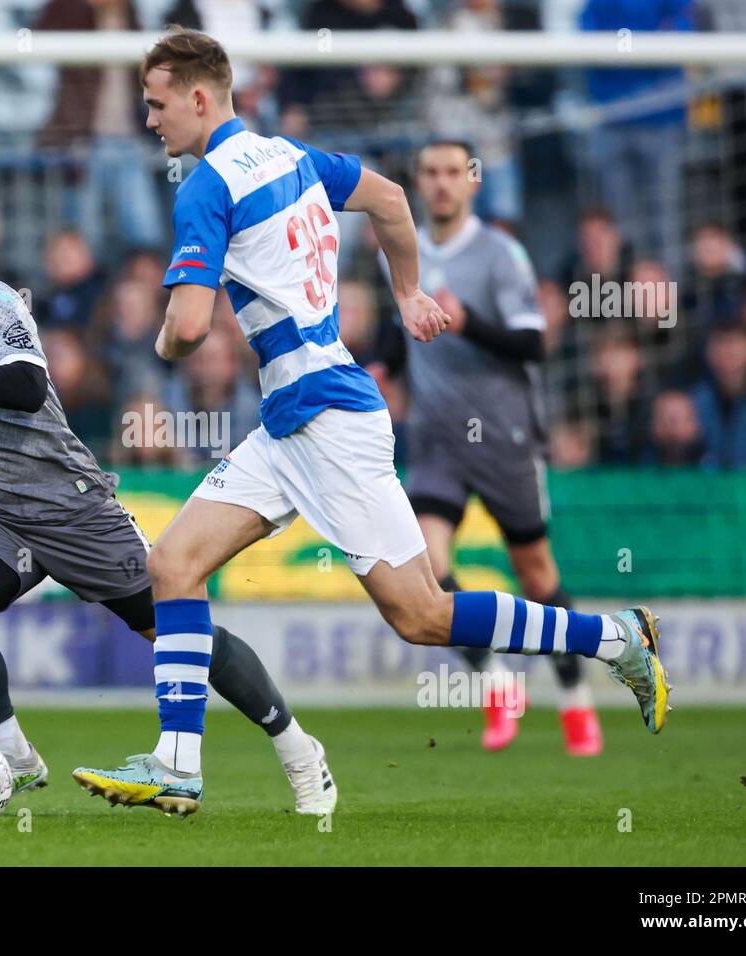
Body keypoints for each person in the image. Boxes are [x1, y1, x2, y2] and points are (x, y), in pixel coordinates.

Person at [73, 29, 670, 815]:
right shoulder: (294, 156)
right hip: (293, 419)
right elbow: (390, 199)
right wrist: (410, 292)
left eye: (155, 105)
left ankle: (618, 639)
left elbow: (185, 329)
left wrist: (158, 337)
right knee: (175, 564)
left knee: (422, 615)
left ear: (197, 96)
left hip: (326, 418)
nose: (149, 121)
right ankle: (177, 762)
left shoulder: (204, 184)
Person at [0, 178, 335, 816]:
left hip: (72, 505)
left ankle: (298, 749)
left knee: (173, 631)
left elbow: (28, 387)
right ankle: (17, 759)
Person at [400, 140, 601, 756]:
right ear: (417, 179)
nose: (440, 184)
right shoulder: (402, 251)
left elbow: (533, 345)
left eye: (453, 173)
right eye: (430, 172)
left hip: (505, 438)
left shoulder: (501, 254)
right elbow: (399, 331)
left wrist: (470, 324)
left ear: (474, 182)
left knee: (538, 576)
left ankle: (575, 698)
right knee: (428, 571)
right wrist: (379, 368)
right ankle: (495, 684)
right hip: (436, 439)